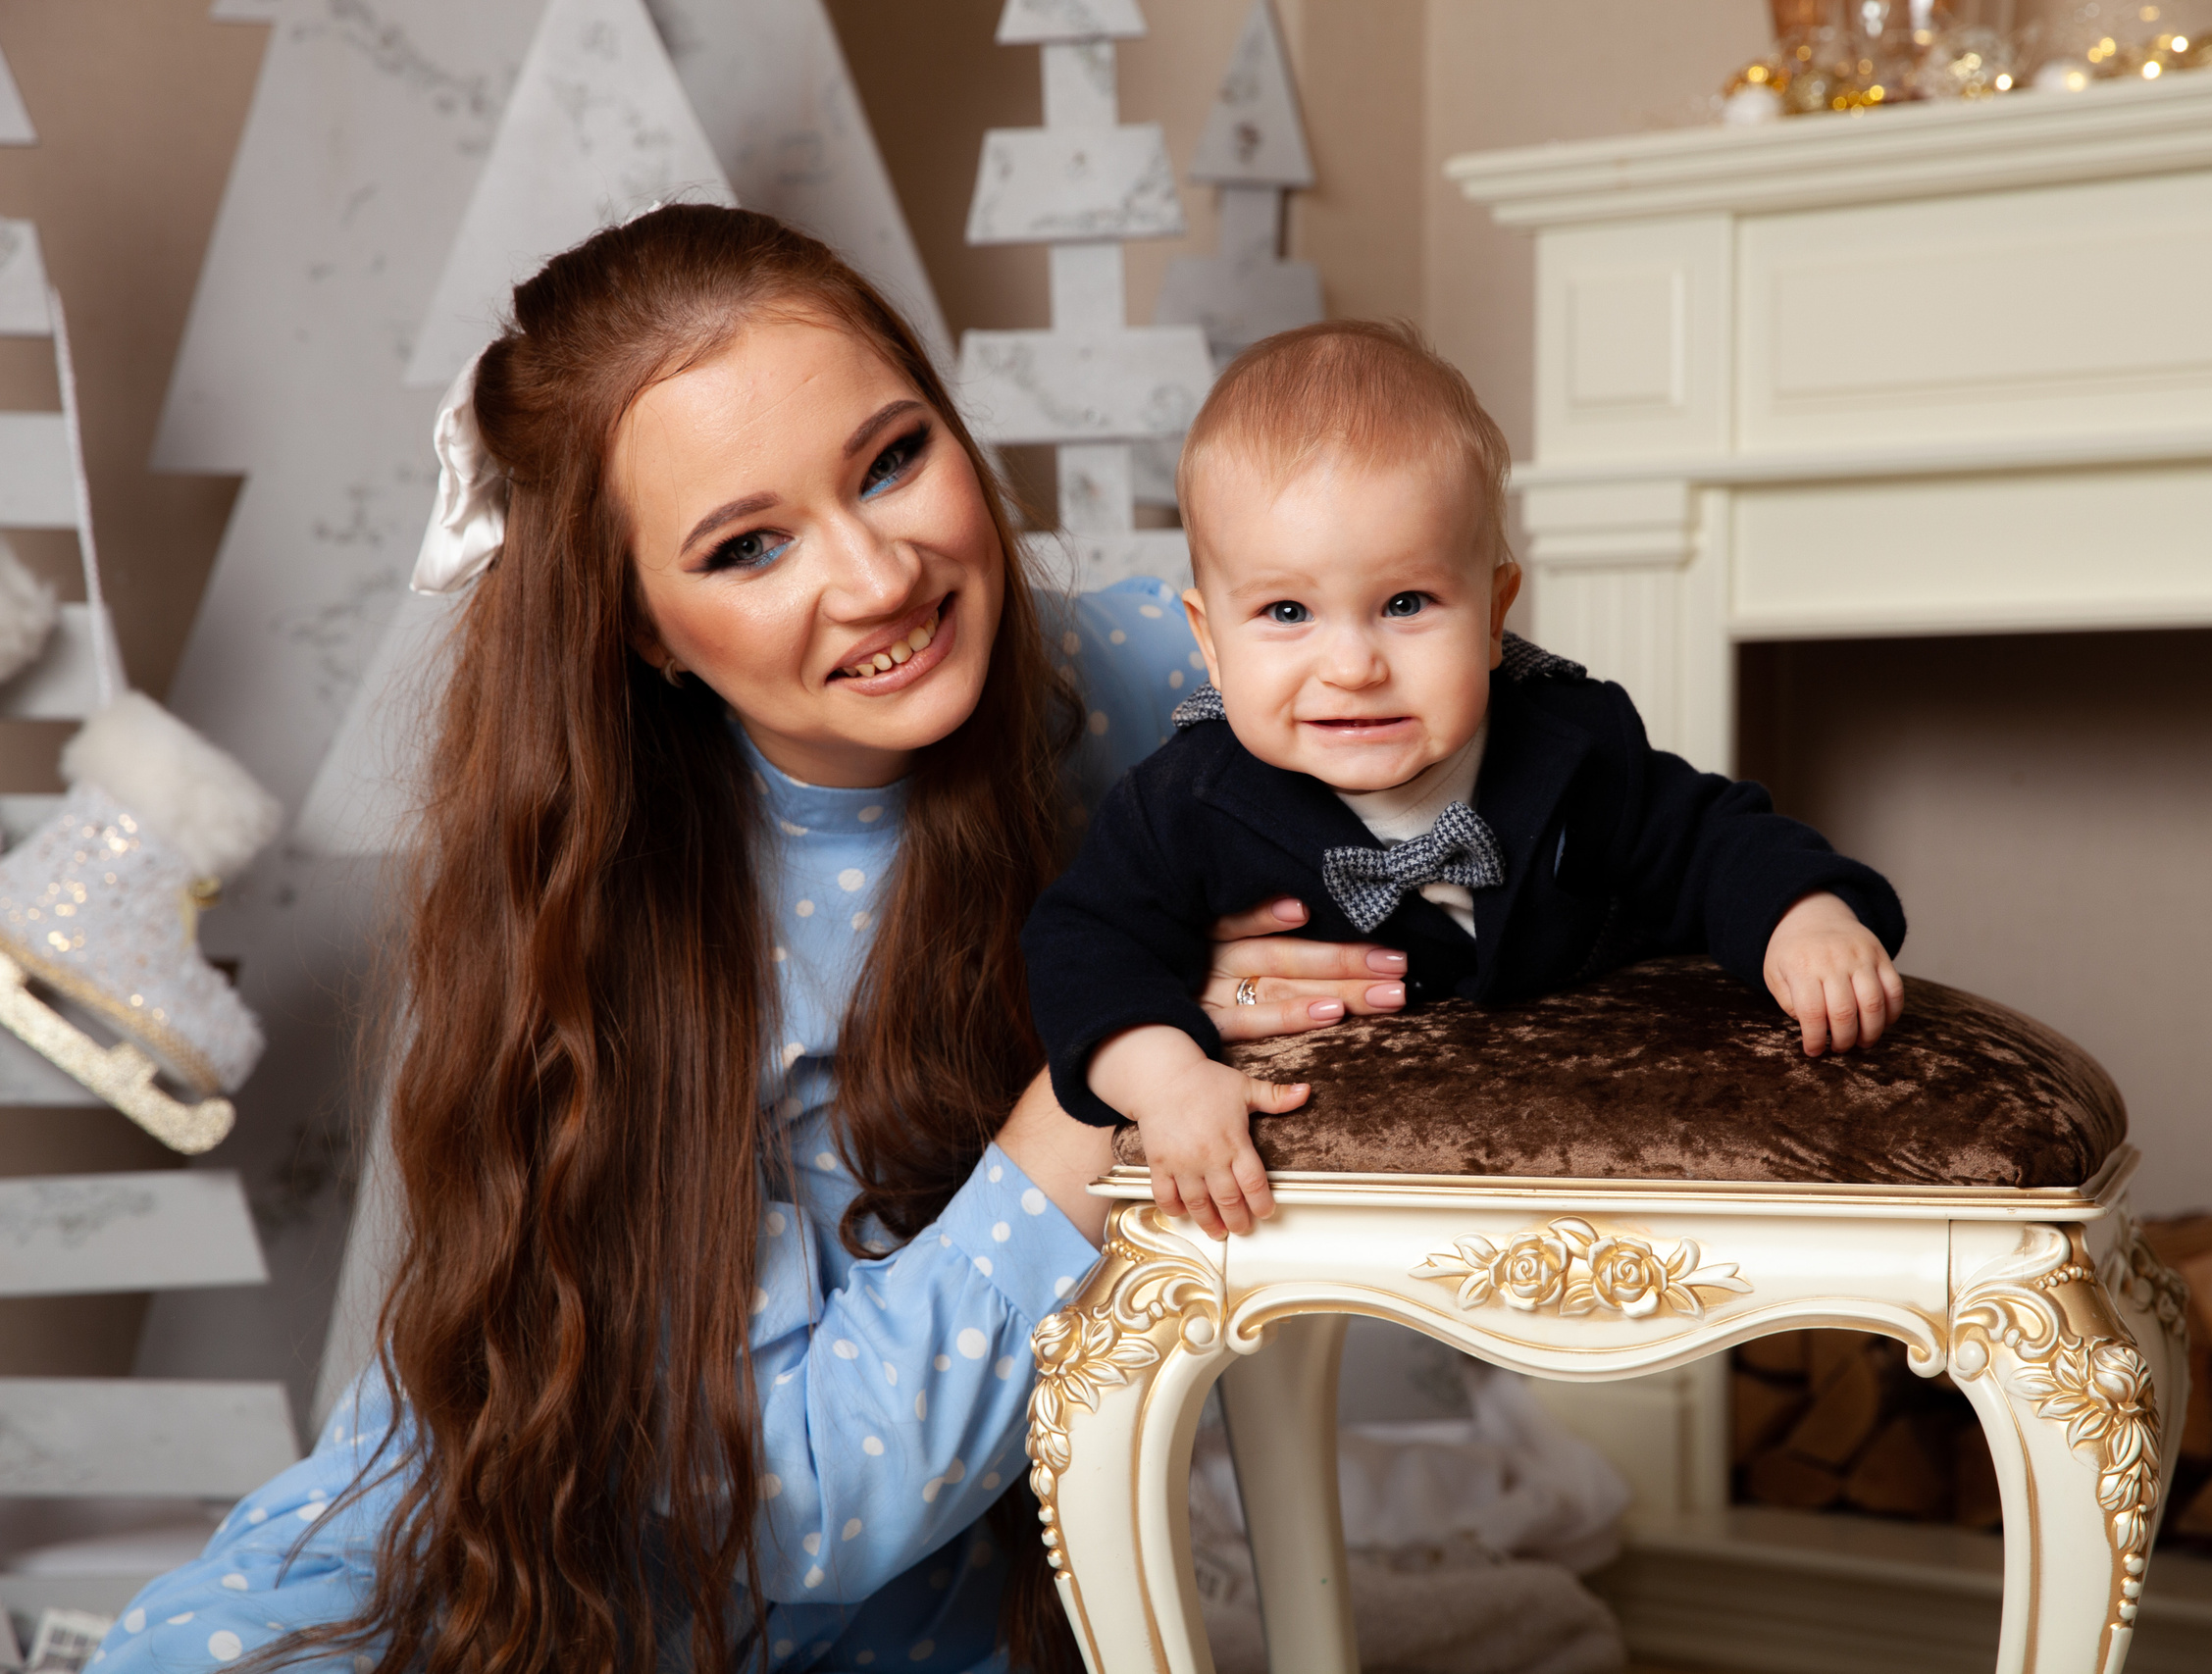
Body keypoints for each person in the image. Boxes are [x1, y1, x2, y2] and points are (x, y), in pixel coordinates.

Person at [91, 208, 1406, 1674]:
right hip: (561, 1568)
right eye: (749, 545)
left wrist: (1722, 910)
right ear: (649, 629)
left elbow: (1518, 731)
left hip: (937, 1596)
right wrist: (1101, 1084)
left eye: (894, 459)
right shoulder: (632, 920)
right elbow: (792, 1508)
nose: (875, 575)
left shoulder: (1155, 672)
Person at [1022, 321, 1909, 1240]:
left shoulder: (1573, 742)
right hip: (1346, 1184)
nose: (1353, 664)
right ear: (1210, 640)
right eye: (1287, 611)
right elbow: (1084, 940)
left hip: (1588, 1121)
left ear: (1495, 612)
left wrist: (1806, 920)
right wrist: (1164, 1072)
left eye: (1406, 603)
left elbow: (1715, 838)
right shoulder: (1188, 800)